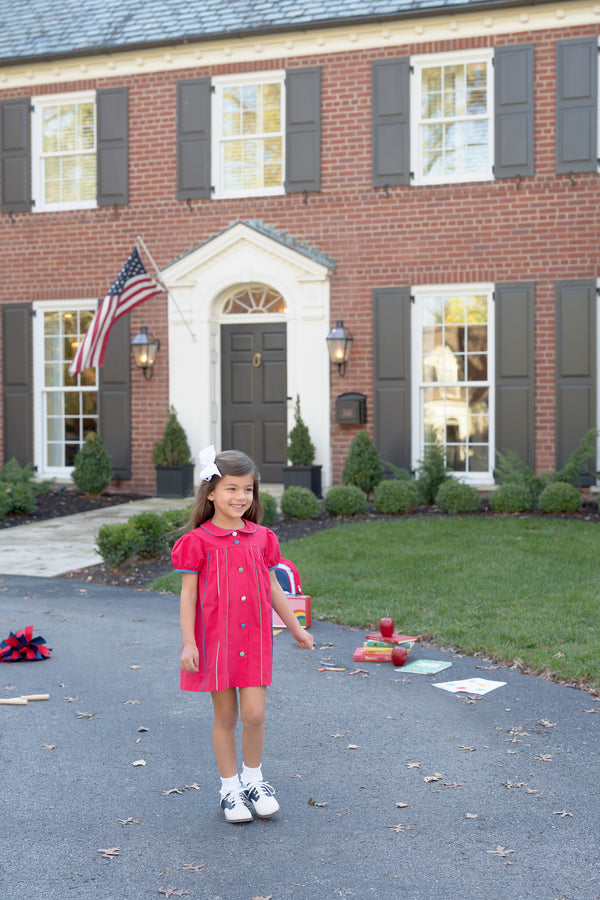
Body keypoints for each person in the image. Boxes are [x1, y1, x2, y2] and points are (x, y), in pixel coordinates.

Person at [172, 446, 314, 824]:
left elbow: (274, 588)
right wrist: (189, 642)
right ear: (211, 493)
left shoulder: (263, 538)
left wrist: (296, 628)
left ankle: (254, 781)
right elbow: (188, 596)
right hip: (216, 642)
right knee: (226, 716)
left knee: (254, 714)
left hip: (254, 640)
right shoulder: (197, 542)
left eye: (248, 489)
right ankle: (229, 789)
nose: (241, 497)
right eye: (232, 489)